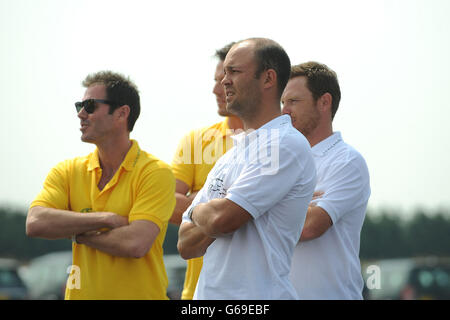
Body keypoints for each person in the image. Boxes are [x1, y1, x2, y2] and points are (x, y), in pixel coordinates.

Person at [177, 38, 316, 299]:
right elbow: (185, 244)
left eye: (234, 72)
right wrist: (212, 211)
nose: (224, 82)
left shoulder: (285, 144)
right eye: (224, 73)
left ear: (268, 78)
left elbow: (222, 220)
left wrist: (194, 208)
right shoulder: (231, 155)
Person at [26, 71, 175, 300]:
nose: (81, 114)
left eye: (90, 105)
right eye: (79, 106)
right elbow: (35, 223)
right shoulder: (67, 171)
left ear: (122, 113)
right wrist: (106, 219)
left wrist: (77, 234)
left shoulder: (155, 172)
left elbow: (135, 243)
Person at [281, 62, 371, 299]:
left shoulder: (347, 161)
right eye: (282, 102)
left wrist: (261, 206)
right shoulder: (281, 162)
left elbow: (309, 227)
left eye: (293, 101)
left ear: (324, 102)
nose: (284, 111)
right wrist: (297, 203)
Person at [170, 43, 244, 300]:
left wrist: (200, 201)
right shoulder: (195, 141)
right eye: (216, 80)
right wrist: (238, 203)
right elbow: (167, 204)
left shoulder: (285, 143)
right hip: (200, 293)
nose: (216, 89)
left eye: (225, 80)